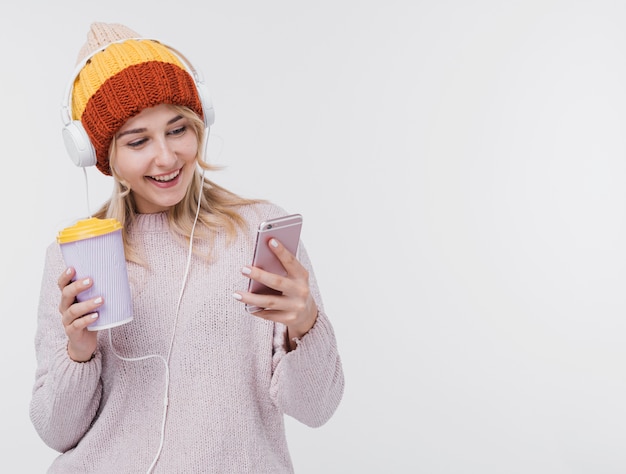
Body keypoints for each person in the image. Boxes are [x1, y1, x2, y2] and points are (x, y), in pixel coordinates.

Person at [30, 22, 344, 473]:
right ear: (100, 155)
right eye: (138, 140)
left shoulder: (260, 232)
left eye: (178, 130)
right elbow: (55, 432)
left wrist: (305, 324)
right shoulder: (74, 256)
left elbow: (318, 410)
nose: (166, 156)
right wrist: (78, 351)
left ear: (200, 124)